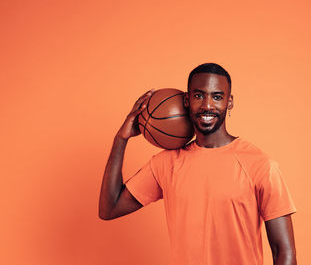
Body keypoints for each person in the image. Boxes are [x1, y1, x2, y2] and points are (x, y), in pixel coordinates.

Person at [99, 63, 297, 265]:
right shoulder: (166, 163)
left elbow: (284, 252)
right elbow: (110, 208)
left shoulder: (261, 165)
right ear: (187, 100)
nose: (207, 105)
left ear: (229, 102)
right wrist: (120, 139)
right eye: (199, 95)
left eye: (217, 97)